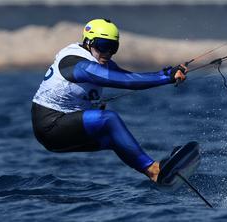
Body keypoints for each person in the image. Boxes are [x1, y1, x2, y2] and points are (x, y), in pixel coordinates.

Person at [31, 19, 187, 183]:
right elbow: (127, 81)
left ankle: (153, 174)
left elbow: (130, 77)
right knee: (108, 119)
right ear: (88, 42)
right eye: (103, 45)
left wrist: (166, 72)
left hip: (60, 130)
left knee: (114, 137)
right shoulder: (80, 65)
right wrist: (167, 77)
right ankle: (153, 170)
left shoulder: (98, 60)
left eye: (113, 47)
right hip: (50, 126)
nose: (107, 52)